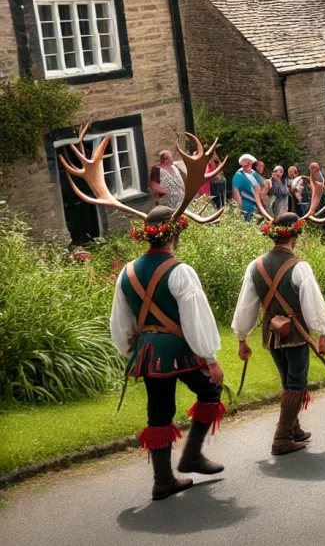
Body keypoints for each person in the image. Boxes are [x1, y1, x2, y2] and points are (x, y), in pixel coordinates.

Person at [69, 133, 229, 501]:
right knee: (210, 390)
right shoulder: (180, 270)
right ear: (175, 234)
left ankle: (163, 480)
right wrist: (210, 357)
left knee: (158, 410)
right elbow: (196, 318)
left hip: (147, 353)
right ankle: (190, 456)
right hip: (181, 349)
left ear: (148, 237)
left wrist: (133, 353)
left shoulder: (126, 270)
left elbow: (120, 324)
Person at [232, 210, 325, 455]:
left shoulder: (254, 266)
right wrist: (322, 333)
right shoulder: (300, 267)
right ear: (294, 237)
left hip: (271, 332)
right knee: (296, 382)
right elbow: (313, 303)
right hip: (295, 332)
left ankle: (294, 428)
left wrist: (242, 337)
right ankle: (282, 438)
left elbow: (246, 305)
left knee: (287, 380)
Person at [231, 154, 263, 221]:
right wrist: (238, 209)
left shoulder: (254, 173)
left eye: (248, 161)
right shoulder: (238, 175)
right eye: (244, 161)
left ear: (251, 163)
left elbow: (260, 186)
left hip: (256, 206)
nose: (246, 163)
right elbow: (236, 193)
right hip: (245, 205)